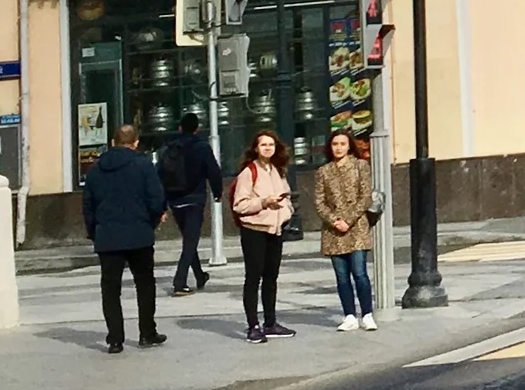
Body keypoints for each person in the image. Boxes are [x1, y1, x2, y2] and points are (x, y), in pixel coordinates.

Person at [84, 124, 168, 352]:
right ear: (136, 142)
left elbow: (88, 207)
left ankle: (115, 339)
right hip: (139, 235)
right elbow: (156, 198)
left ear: (112, 142)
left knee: (110, 289)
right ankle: (147, 332)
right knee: (145, 284)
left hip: (107, 237)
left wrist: (95, 232)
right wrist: (151, 222)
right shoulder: (143, 166)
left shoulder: (95, 169)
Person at [230, 130, 297, 341]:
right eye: (263, 145)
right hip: (254, 231)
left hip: (275, 230)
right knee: (253, 278)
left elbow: (286, 196)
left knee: (271, 278)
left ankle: (270, 322)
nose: (268, 148)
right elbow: (239, 205)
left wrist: (286, 211)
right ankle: (253, 326)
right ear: (255, 148)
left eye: (271, 145)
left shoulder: (277, 170)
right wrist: (264, 202)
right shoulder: (249, 172)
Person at [313, 133, 375, 331]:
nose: (338, 148)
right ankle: (349, 315)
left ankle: (367, 314)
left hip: (356, 228)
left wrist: (348, 220)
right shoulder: (323, 171)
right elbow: (319, 201)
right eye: (335, 144)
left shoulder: (360, 166)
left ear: (349, 146)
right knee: (341, 276)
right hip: (334, 231)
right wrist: (334, 220)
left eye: (342, 144)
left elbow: (365, 197)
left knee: (360, 273)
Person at [159, 114, 222, 297]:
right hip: (195, 198)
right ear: (197, 129)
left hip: (175, 200)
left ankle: (200, 275)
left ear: (180, 127)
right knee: (190, 240)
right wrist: (217, 193)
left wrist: (163, 202)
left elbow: (160, 175)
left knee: (189, 239)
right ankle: (180, 281)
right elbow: (213, 171)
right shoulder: (201, 147)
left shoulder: (169, 147)